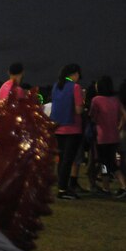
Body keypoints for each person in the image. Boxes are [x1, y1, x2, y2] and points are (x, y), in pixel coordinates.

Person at [87, 75, 126, 196]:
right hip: (114, 136)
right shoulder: (116, 99)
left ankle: (122, 186)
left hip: (101, 136)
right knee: (107, 162)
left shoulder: (96, 100)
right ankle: (107, 187)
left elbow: (92, 116)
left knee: (107, 163)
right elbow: (125, 115)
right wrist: (119, 127)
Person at [50, 64, 84, 200]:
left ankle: (61, 186)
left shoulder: (56, 86)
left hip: (58, 128)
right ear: (74, 74)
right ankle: (63, 190)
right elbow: (78, 110)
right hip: (72, 128)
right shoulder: (75, 87)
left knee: (62, 159)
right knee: (68, 161)